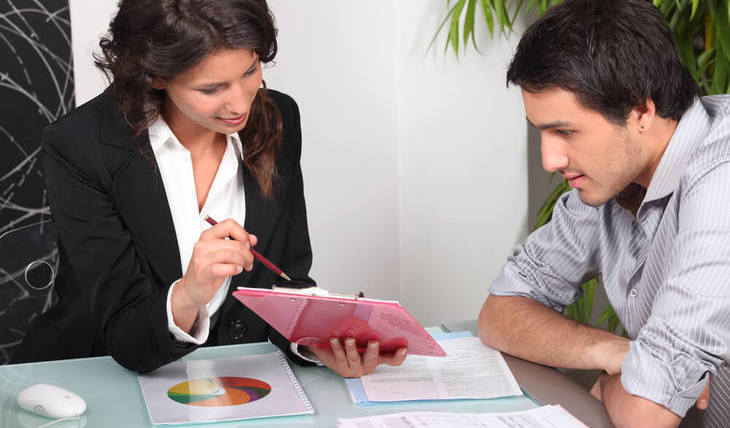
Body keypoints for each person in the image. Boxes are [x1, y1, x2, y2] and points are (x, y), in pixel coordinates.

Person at [13, 0, 406, 377]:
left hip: (235, 386)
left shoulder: (277, 116)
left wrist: (314, 340)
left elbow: (286, 277)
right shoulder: (81, 145)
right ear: (156, 75)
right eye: (212, 88)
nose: (240, 103)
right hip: (96, 380)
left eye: (250, 71)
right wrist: (188, 293)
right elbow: (123, 334)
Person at [478, 0, 729, 427]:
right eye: (542, 132)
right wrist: (611, 352)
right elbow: (500, 312)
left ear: (640, 111)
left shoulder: (721, 181)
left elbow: (646, 416)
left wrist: (617, 382)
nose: (551, 159)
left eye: (565, 131)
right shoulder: (610, 178)